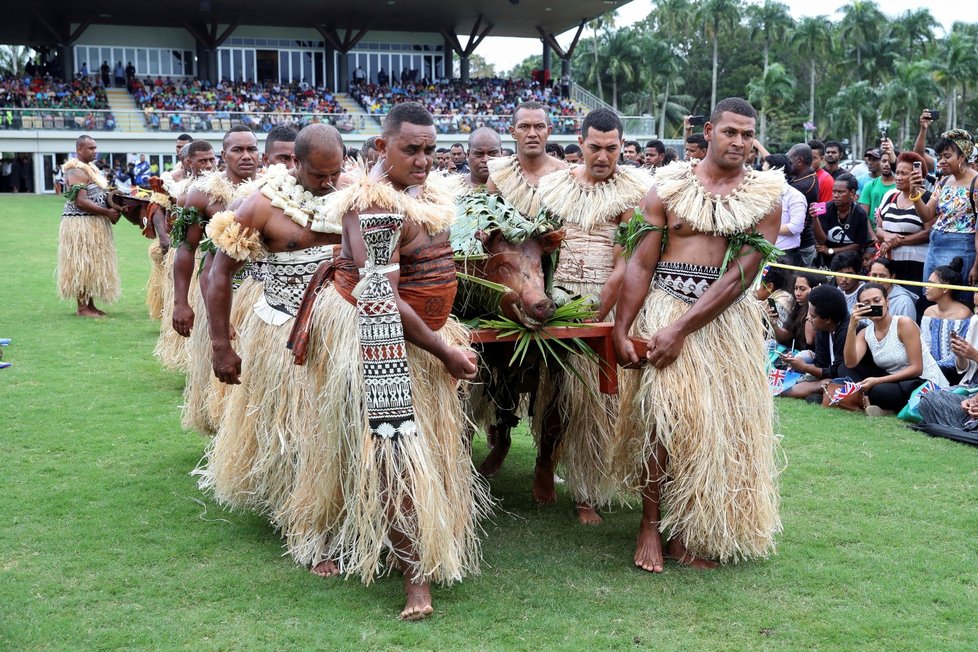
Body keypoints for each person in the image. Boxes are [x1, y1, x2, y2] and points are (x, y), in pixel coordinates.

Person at [282, 102, 491, 620]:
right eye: (410, 149)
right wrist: (444, 349)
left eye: (430, 150)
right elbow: (382, 297)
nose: (422, 160)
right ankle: (413, 578)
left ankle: (405, 542)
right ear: (382, 147)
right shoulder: (374, 207)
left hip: (425, 337)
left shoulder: (429, 195)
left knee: (422, 450)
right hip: (376, 333)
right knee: (397, 452)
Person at [613, 97, 783, 571]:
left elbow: (739, 278)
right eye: (731, 132)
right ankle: (650, 524)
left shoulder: (766, 197)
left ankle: (686, 531)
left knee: (713, 428)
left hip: (723, 325)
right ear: (708, 131)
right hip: (664, 304)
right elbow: (641, 263)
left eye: (748, 135)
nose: (740, 142)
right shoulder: (665, 189)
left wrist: (682, 329)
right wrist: (622, 328)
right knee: (663, 419)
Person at [198, 125, 345, 552]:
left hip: (338, 335)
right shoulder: (260, 206)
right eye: (319, 175)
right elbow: (218, 275)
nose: (328, 182)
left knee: (332, 430)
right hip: (281, 334)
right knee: (294, 433)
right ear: (294, 164)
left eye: (335, 172)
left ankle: (333, 510)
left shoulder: (351, 199)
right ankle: (302, 523)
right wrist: (221, 345)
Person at [535, 108, 651, 524]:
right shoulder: (555, 186)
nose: (603, 157)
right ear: (580, 143)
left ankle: (586, 492)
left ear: (621, 147)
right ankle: (545, 460)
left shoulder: (632, 192)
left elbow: (626, 262)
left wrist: (600, 314)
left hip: (604, 303)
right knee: (553, 395)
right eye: (595, 147)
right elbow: (539, 244)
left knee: (596, 403)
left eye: (612, 148)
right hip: (554, 300)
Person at [172, 126, 259, 435]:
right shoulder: (202, 194)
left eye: (251, 149)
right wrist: (180, 302)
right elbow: (185, 248)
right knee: (221, 383)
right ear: (225, 155)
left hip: (261, 298)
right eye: (238, 150)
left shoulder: (275, 190)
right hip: (215, 292)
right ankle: (223, 440)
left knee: (257, 380)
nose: (246, 156)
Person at [154, 140, 216, 370]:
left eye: (212, 160)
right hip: (190, 257)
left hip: (210, 262)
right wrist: (163, 237)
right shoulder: (179, 187)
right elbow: (157, 210)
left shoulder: (222, 187)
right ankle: (187, 358)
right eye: (203, 161)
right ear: (189, 162)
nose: (209, 165)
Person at [841, 283, 947, 416]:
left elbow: (916, 368)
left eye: (877, 301)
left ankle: (869, 400)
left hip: (922, 382)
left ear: (887, 302)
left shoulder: (903, 324)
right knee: (843, 368)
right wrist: (852, 326)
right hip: (894, 380)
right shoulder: (865, 333)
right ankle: (867, 399)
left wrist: (877, 381)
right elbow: (850, 363)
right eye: (866, 303)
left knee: (879, 391)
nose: (873, 306)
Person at [57, 135, 121, 317]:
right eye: (90, 148)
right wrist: (108, 213)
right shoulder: (75, 170)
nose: (94, 151)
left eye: (95, 147)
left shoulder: (91, 169)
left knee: (92, 264)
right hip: (80, 224)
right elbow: (81, 202)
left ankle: (90, 304)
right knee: (82, 264)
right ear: (79, 150)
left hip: (93, 223)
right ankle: (82, 307)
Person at [912, 129, 978, 286]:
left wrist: (976, 265)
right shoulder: (943, 181)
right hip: (935, 242)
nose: (941, 161)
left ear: (962, 157)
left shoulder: (976, 183)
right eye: (940, 157)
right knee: (931, 292)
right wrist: (914, 193)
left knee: (954, 297)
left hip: (962, 246)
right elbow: (927, 215)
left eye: (947, 156)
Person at [487, 100, 568, 225]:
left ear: (549, 131)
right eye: (524, 127)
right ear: (513, 132)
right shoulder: (499, 177)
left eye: (539, 126)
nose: (532, 134)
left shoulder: (564, 174)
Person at [779, 285, 850, 401]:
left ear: (827, 319)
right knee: (806, 362)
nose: (808, 318)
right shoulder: (823, 329)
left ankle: (815, 390)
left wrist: (804, 367)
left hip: (847, 377)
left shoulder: (846, 331)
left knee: (829, 381)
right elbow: (820, 364)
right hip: (829, 376)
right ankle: (814, 390)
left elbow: (838, 371)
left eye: (813, 316)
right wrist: (796, 362)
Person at [875, 151, 932, 294]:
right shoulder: (890, 195)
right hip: (890, 264)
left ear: (917, 176)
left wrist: (897, 241)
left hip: (916, 265)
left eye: (904, 174)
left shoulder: (927, 198)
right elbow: (879, 228)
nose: (898, 177)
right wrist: (888, 238)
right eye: (897, 172)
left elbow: (928, 232)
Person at [920, 258, 974, 383]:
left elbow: (958, 355)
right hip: (931, 368)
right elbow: (925, 345)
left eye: (931, 283)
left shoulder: (963, 314)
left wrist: (933, 367)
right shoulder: (928, 312)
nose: (926, 287)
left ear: (945, 288)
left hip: (956, 370)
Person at [813, 173, 873, 267]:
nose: (836, 195)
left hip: (851, 261)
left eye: (840, 192)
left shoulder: (861, 214)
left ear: (852, 193)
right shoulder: (824, 208)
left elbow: (858, 245)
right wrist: (815, 218)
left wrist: (831, 251)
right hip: (825, 261)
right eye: (834, 191)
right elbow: (821, 240)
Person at [763, 153, 806, 266]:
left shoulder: (795, 196)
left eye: (764, 172)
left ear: (776, 173)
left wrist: (766, 228)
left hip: (785, 256)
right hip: (762, 253)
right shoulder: (760, 195)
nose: (761, 176)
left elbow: (795, 227)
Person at [770, 270, 824, 353]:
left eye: (802, 289)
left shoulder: (820, 309)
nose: (797, 293)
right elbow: (785, 337)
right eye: (796, 288)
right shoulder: (797, 308)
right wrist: (775, 325)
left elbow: (809, 339)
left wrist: (813, 301)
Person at [858, 138, 897, 228]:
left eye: (889, 161)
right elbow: (864, 216)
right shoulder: (869, 185)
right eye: (883, 161)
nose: (887, 164)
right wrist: (872, 236)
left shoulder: (901, 186)